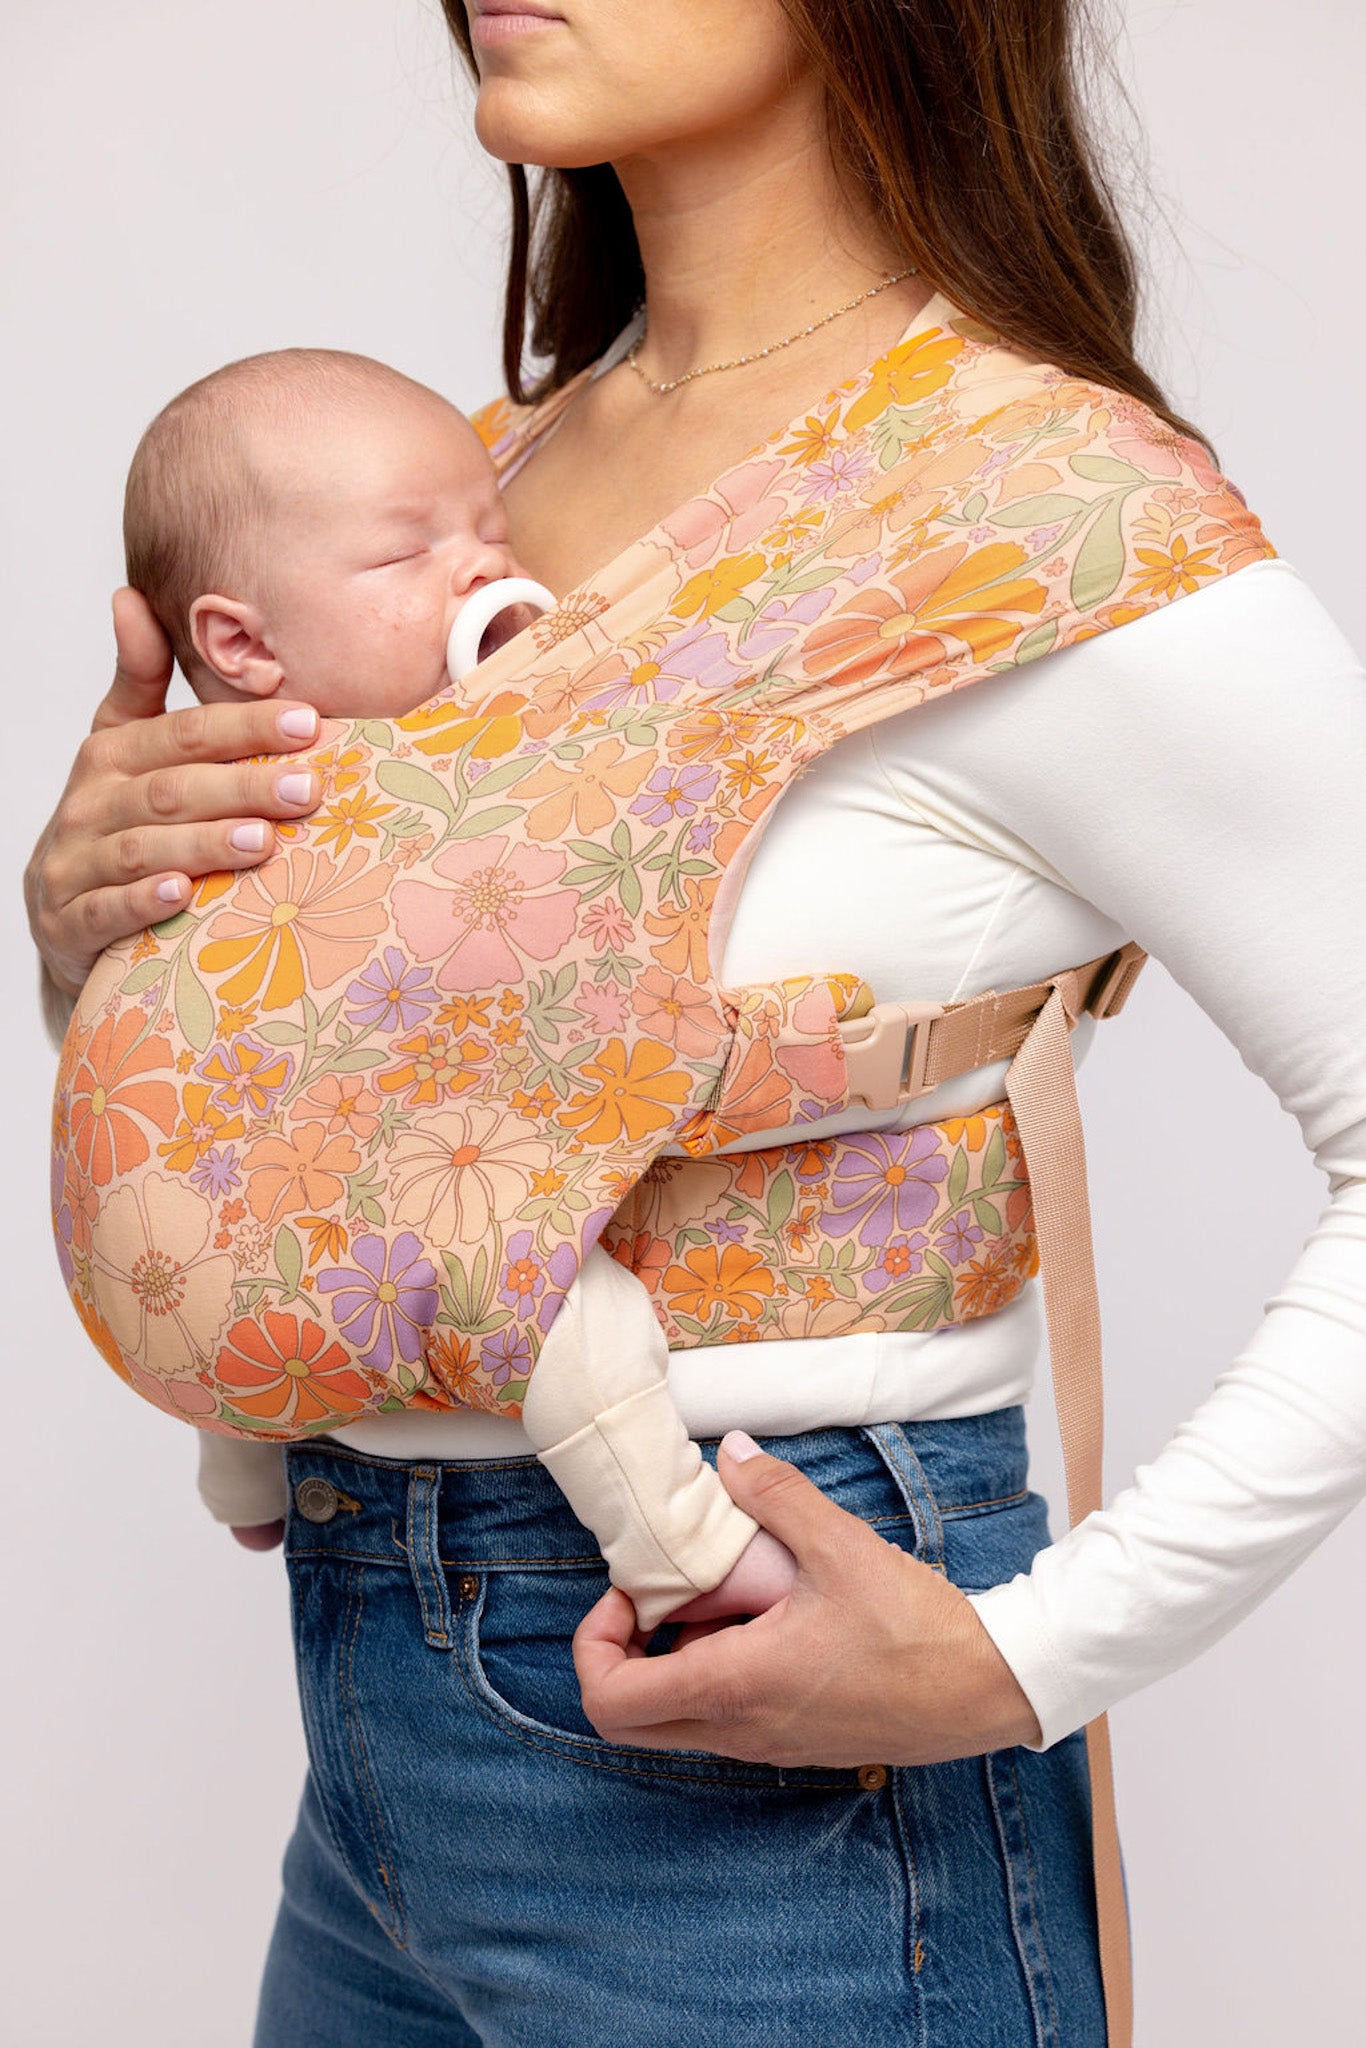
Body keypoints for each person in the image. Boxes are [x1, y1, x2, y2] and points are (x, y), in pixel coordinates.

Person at [26, 3, 1366, 2043]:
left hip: (763, 1721)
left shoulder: (1038, 513)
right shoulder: (462, 475)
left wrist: (1027, 1655)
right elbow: (345, 1066)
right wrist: (97, 933)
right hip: (368, 1684)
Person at [115, 341, 797, 1622]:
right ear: (241, 643)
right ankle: (678, 1548)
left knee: (479, 1282)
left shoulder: (478, 734)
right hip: (286, 1168)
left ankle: (249, 1470)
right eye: (406, 553)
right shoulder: (211, 795)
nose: (480, 567)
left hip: (379, 1160)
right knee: (541, 1299)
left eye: (491, 529)